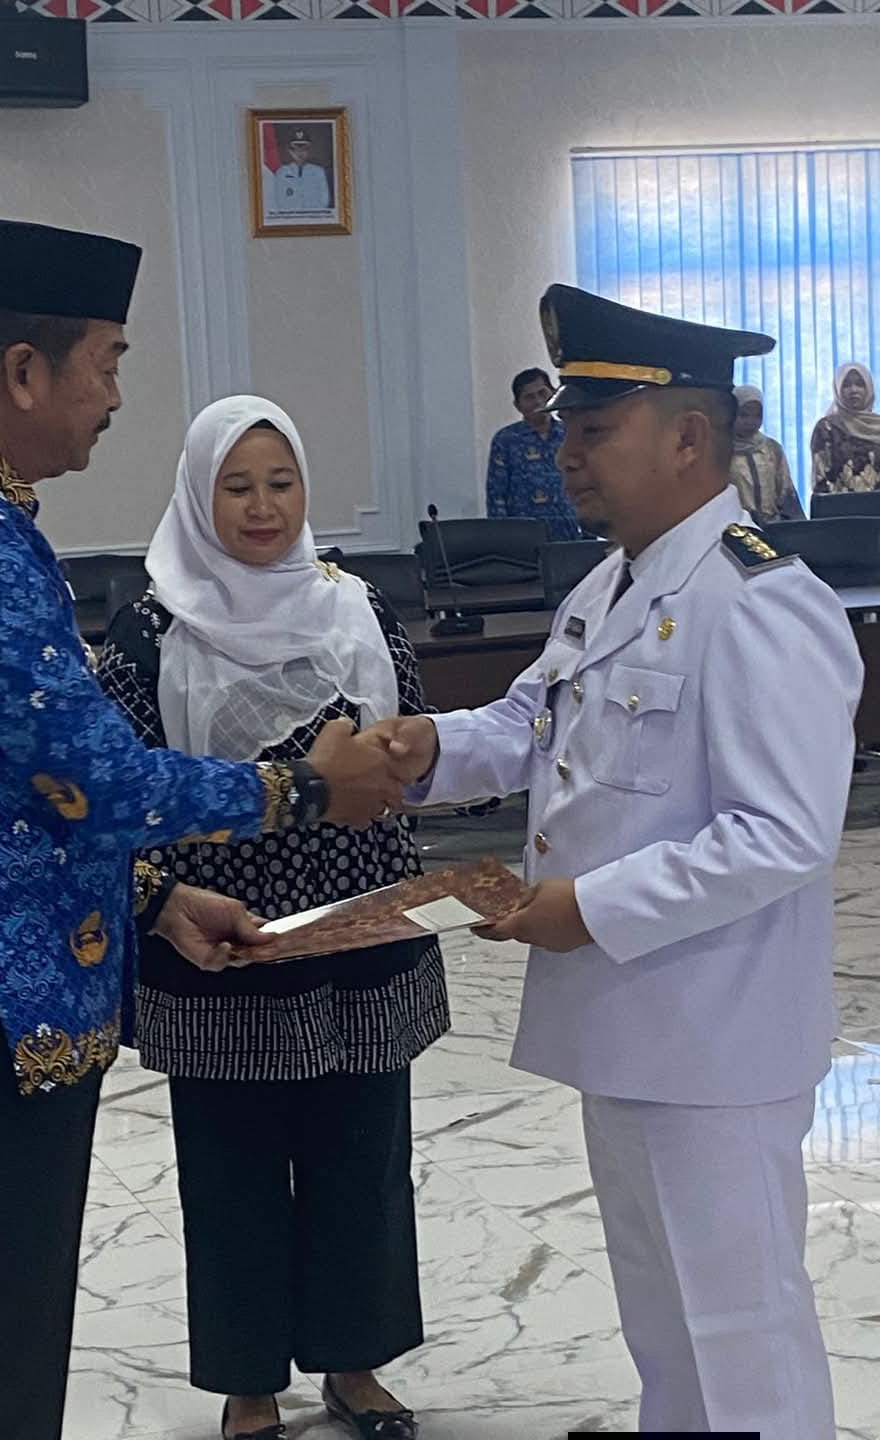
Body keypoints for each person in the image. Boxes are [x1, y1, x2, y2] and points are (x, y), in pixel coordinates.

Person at [0, 217, 403, 1440]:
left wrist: (152, 900)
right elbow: (98, 778)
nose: (117, 397)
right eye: (109, 363)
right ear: (26, 370)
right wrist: (302, 787)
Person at [368, 284, 863, 1438]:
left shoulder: (760, 603)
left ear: (687, 438)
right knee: (664, 1317)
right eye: (568, 430)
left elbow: (782, 833)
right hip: (629, 1022)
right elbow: (531, 724)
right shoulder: (612, 582)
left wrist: (585, 908)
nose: (567, 454)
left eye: (594, 430)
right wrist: (426, 749)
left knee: (743, 1325)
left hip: (719, 1031)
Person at [97, 394, 445, 1440]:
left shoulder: (357, 606)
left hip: (361, 923)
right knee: (232, 1170)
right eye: (237, 488)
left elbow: (415, 734)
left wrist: (395, 764)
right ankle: (249, 1381)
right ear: (197, 499)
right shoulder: (152, 626)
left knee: (362, 1158)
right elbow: (119, 789)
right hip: (225, 936)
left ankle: (355, 1364)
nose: (263, 508)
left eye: (281, 484)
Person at [486, 366, 580, 540]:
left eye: (542, 393)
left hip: (571, 534)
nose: (538, 401)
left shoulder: (570, 432)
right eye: (529, 397)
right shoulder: (506, 440)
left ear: (554, 394)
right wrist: (501, 540)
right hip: (523, 538)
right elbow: (496, 496)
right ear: (517, 405)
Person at [729, 384, 803, 522]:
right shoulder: (721, 450)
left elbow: (786, 494)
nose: (751, 422)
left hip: (773, 526)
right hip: (736, 527)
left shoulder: (772, 448)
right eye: (744, 415)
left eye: (757, 416)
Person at [811, 362, 880, 494]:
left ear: (869, 388)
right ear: (838, 390)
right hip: (839, 505)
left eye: (860, 384)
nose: (854, 390)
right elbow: (820, 482)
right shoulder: (827, 428)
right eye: (846, 385)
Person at [272, 126, 331, 215]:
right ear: (289, 151)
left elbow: (324, 200)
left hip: (314, 217)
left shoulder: (318, 172)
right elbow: (279, 201)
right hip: (289, 218)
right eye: (295, 149)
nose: (300, 153)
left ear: (309, 150)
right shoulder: (282, 172)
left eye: (304, 149)